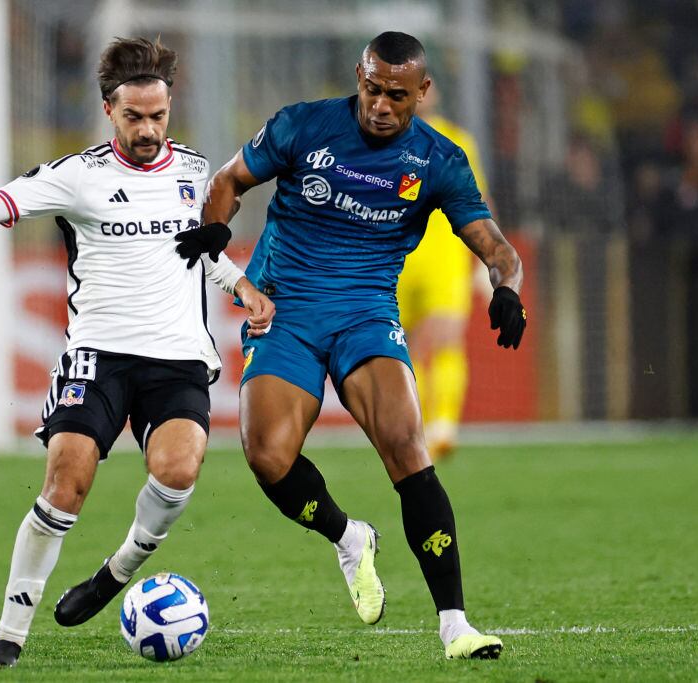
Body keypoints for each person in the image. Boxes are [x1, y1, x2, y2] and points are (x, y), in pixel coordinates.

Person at [0, 37, 274, 668]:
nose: (148, 130)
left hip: (177, 357)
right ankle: (9, 633)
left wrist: (241, 284)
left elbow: (201, 248)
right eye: (135, 117)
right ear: (109, 110)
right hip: (99, 355)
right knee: (67, 479)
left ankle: (116, 573)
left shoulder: (196, 173)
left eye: (158, 116)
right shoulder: (77, 177)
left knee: (177, 471)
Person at [178, 31, 525, 660]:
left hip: (367, 315)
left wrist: (507, 289)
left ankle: (455, 624)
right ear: (358, 77)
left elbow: (497, 248)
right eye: (372, 89)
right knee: (267, 456)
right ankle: (348, 536)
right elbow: (229, 180)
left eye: (397, 95)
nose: (381, 105)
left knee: (406, 446)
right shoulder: (302, 127)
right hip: (284, 313)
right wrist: (217, 232)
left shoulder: (438, 160)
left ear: (422, 93)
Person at [396, 80, 493, 458]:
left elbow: (478, 200)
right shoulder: (384, 141)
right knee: (404, 346)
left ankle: (445, 426)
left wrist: (487, 261)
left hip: (446, 258)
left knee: (448, 337)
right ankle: (416, 429)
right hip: (399, 259)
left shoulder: (459, 141)